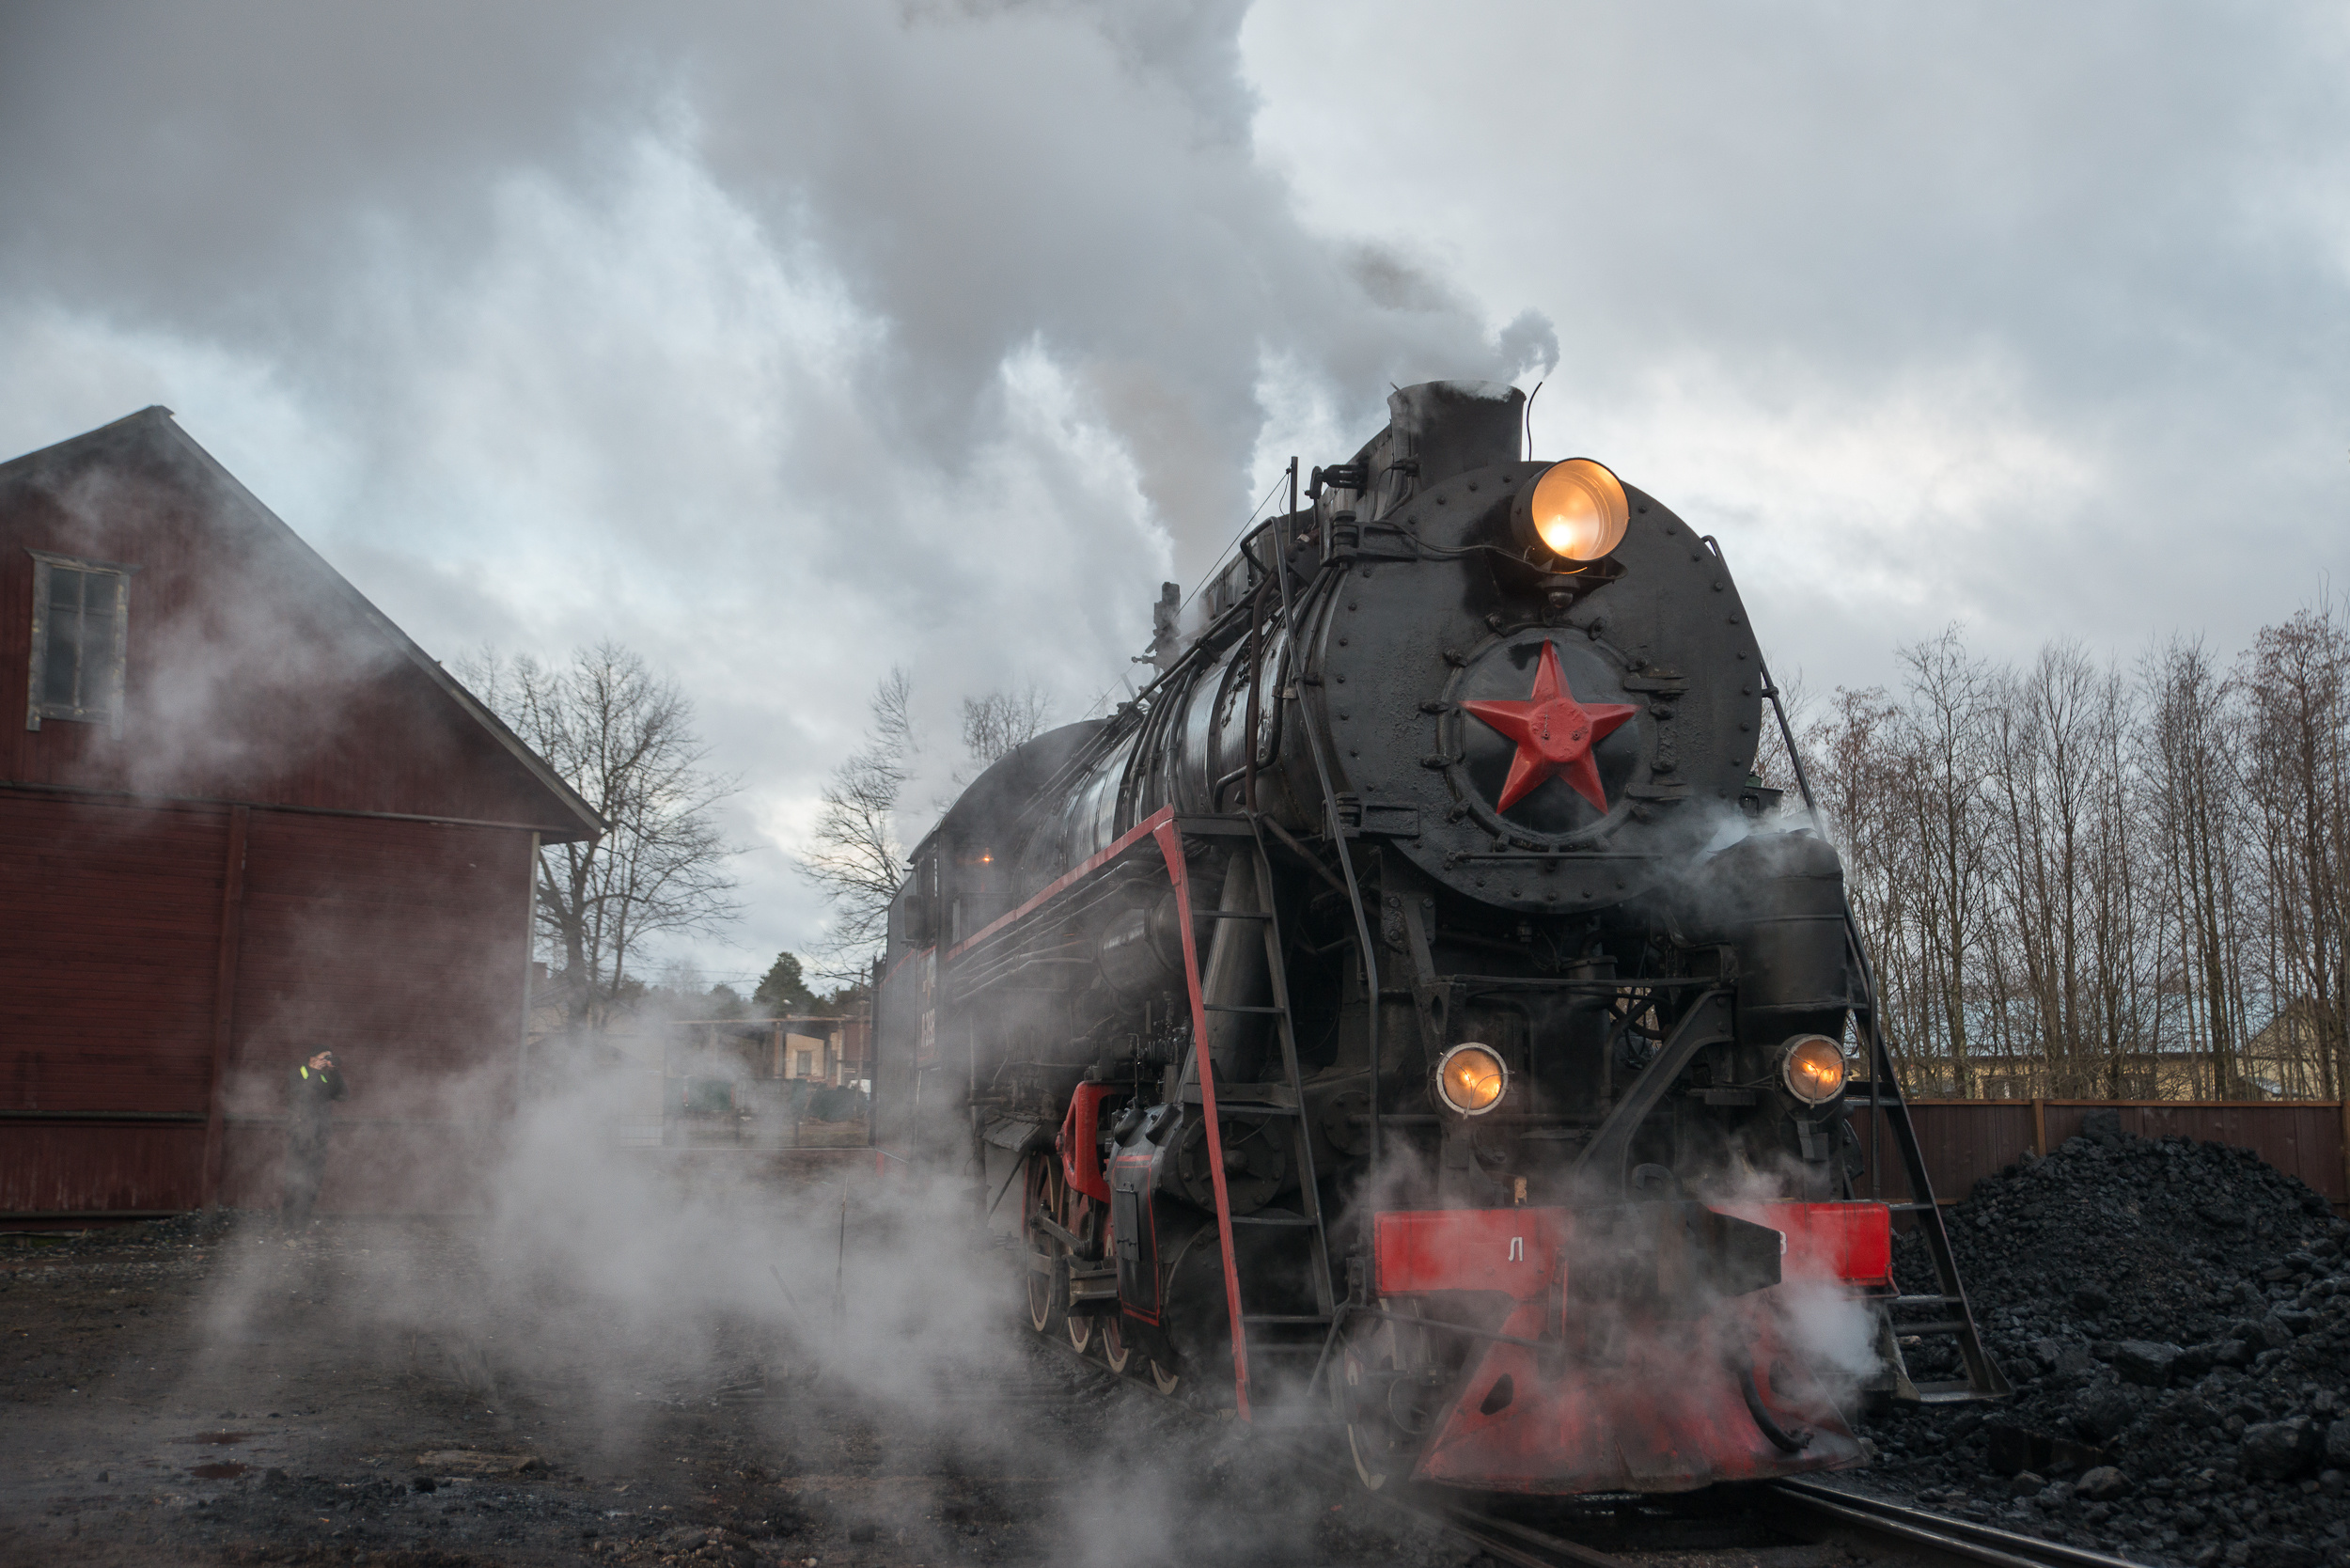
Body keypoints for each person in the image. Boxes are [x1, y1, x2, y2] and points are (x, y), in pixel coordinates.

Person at [282, 1048, 348, 1232]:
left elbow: (343, 1095)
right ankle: (287, 1225)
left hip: (320, 1138)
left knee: (312, 1184)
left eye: (329, 1057)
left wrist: (335, 1072)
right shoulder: (297, 1074)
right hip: (300, 1136)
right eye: (324, 1057)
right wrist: (313, 1072)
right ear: (312, 1058)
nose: (327, 1060)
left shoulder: (326, 1077)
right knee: (294, 1182)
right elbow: (302, 1096)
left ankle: (301, 1226)